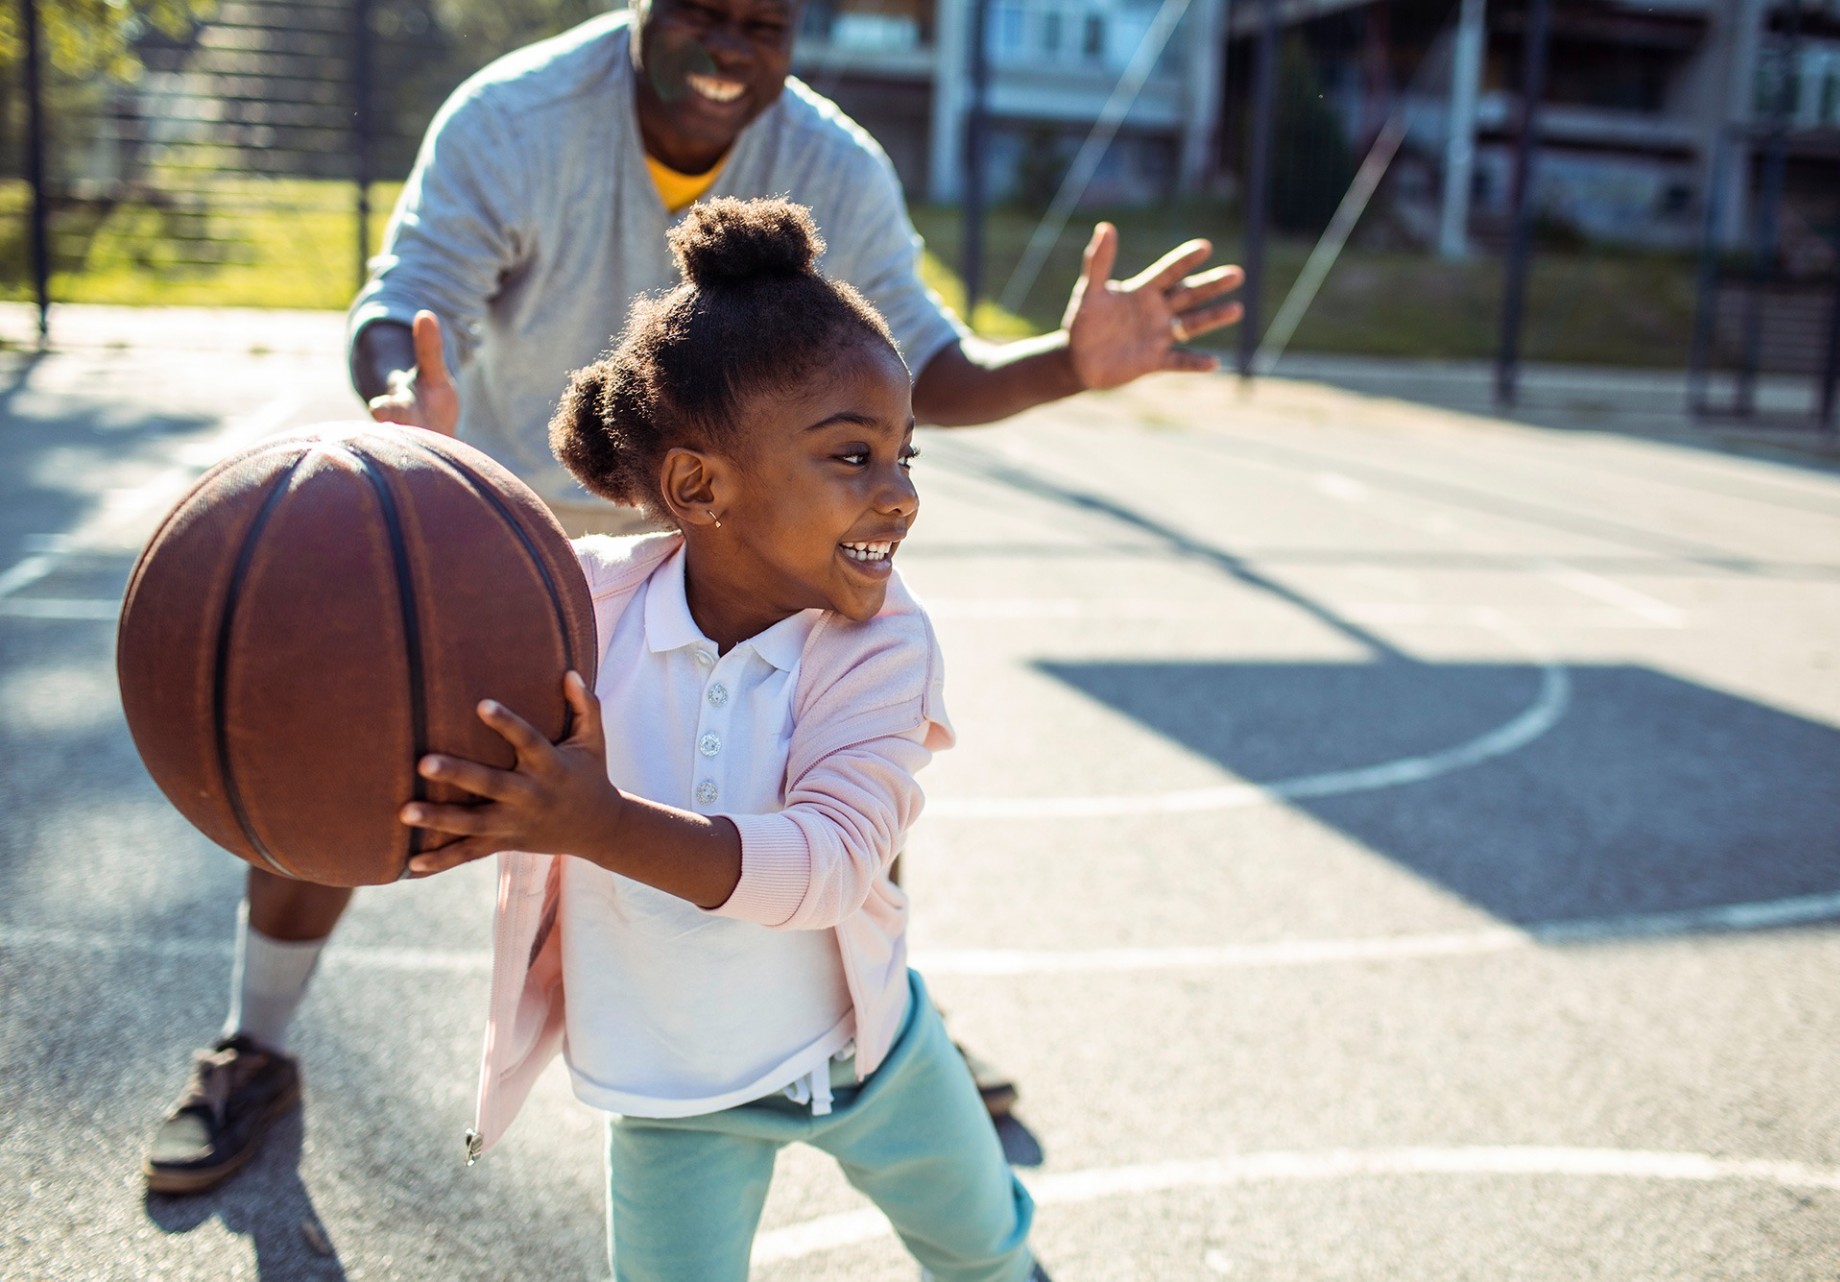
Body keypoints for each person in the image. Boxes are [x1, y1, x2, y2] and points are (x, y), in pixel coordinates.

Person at [144, 0, 1242, 1193]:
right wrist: (408, 398)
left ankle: (883, 1026)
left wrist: (1067, 362)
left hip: (761, 529)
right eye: (707, 16)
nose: (734, 48)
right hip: (522, 527)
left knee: (837, 764)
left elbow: (926, 362)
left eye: (765, 26)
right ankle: (257, 1041)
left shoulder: (832, 160)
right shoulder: (516, 117)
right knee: (356, 727)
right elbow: (408, 296)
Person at [402, 196, 1042, 1280]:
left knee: (987, 1252)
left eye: (905, 457)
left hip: (866, 1056)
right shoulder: (585, 611)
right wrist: (415, 490)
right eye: (854, 457)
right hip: (673, 1090)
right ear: (700, 486)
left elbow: (835, 863)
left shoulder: (883, 646)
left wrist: (598, 823)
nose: (898, 496)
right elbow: (445, 621)